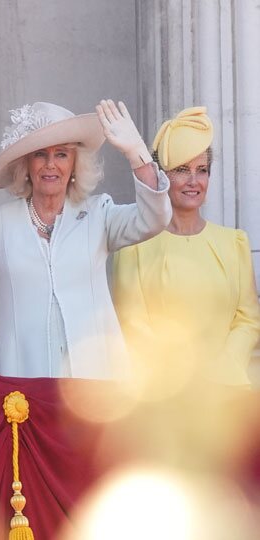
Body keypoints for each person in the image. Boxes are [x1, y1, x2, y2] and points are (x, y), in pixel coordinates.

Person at [0, 100, 172, 378]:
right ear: (26, 163)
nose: (50, 165)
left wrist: (138, 155)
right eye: (40, 155)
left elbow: (154, 219)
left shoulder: (99, 214)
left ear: (75, 164)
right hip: (19, 384)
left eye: (61, 154)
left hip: (93, 387)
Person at [111, 107, 260, 386]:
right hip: (164, 395)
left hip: (228, 393)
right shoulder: (134, 247)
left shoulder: (234, 243)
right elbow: (132, 323)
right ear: (162, 176)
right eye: (182, 170)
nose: (193, 181)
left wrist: (223, 370)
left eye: (201, 170)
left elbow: (248, 319)